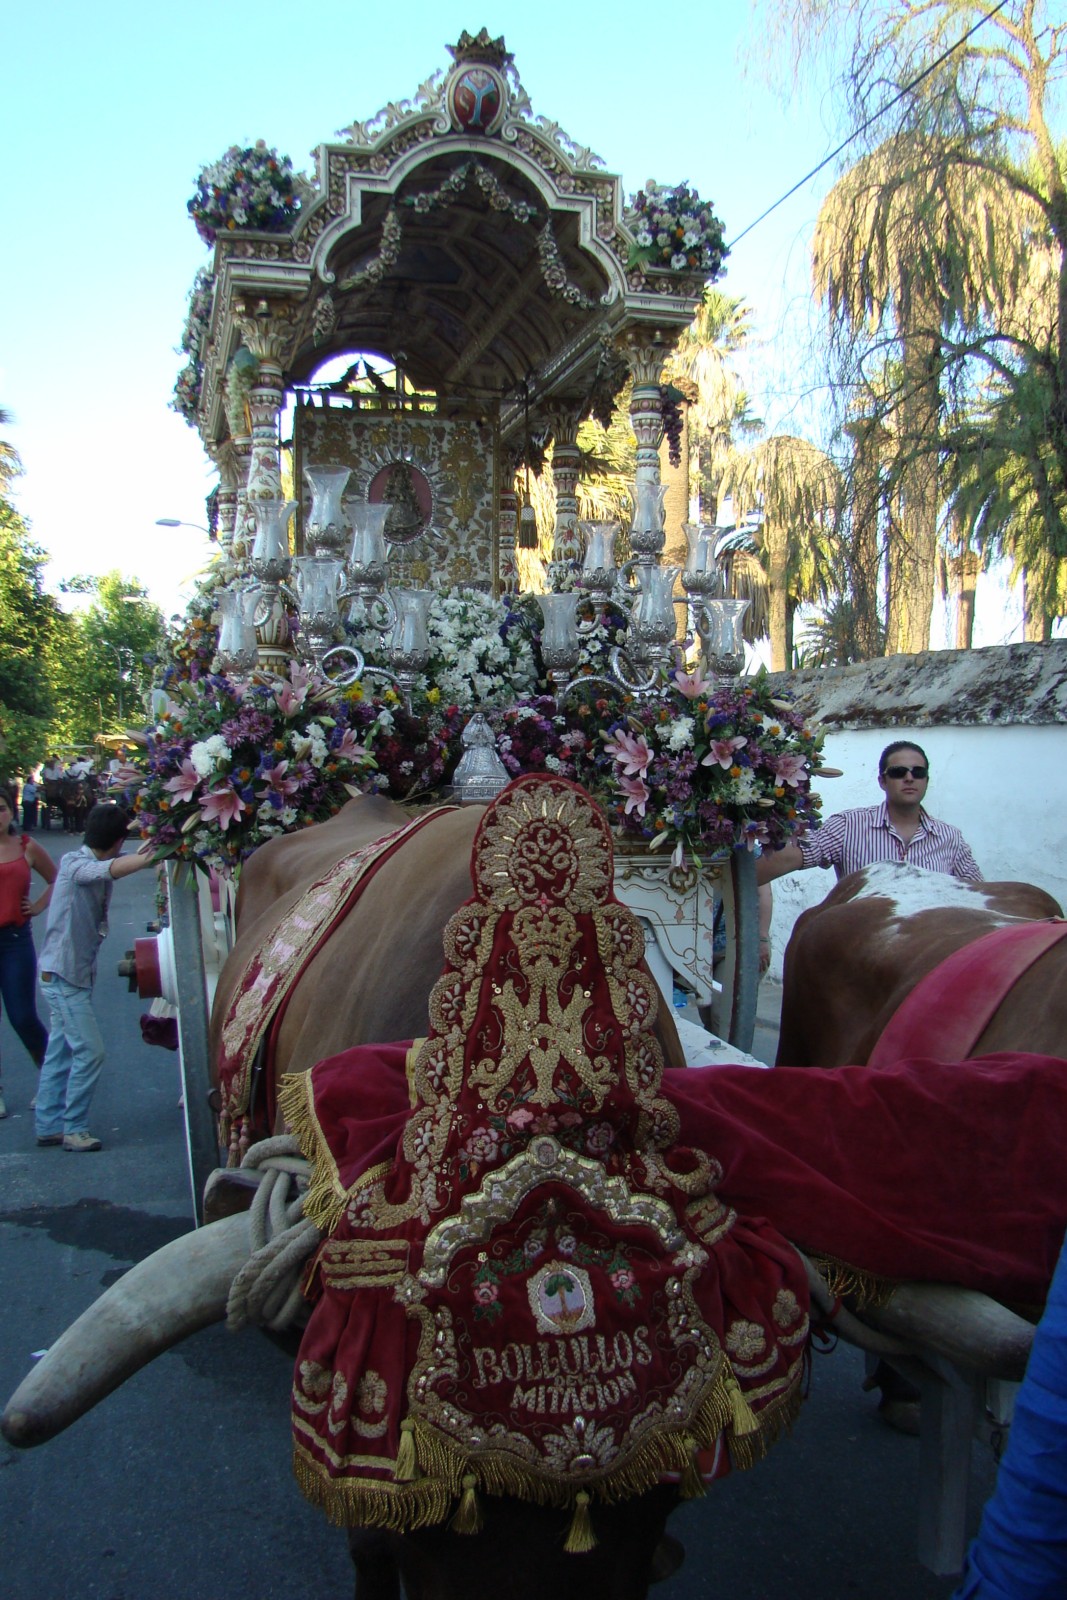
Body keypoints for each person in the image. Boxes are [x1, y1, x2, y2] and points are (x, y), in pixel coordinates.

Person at [34, 803, 154, 1153]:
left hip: (67, 975)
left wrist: (157, 835)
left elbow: (124, 862)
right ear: (116, 841)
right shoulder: (75, 864)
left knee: (60, 1051)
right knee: (90, 1052)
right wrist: (155, 853)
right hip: (63, 977)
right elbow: (112, 870)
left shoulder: (87, 859)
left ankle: (48, 1124)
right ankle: (74, 1128)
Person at [756, 738, 982, 886]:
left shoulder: (950, 838)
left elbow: (980, 895)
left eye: (918, 772)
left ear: (926, 780)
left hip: (928, 944)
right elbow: (795, 856)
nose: (909, 778)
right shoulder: (848, 826)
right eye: (898, 772)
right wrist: (738, 881)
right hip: (865, 944)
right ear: (882, 781)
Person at [0, 785, 56, 1121]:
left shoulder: (26, 847)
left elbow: (57, 879)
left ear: (12, 811)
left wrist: (36, 907)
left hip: (14, 941)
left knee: (22, 1016)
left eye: (2, 808)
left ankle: (51, 1080)